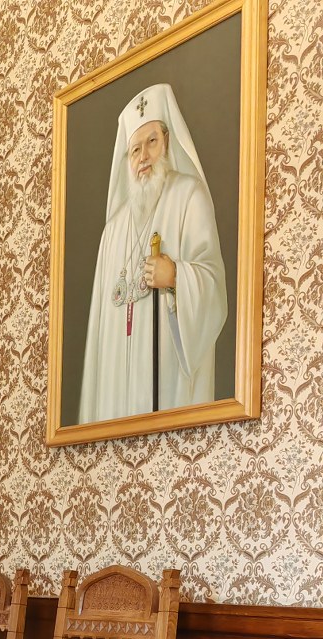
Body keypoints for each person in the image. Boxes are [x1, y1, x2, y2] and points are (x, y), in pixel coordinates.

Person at [78, 82, 227, 424]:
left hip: (169, 381)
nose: (143, 156)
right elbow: (99, 331)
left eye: (152, 142)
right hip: (117, 386)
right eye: (135, 149)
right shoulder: (113, 230)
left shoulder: (189, 196)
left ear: (167, 142)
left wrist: (176, 276)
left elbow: (213, 285)